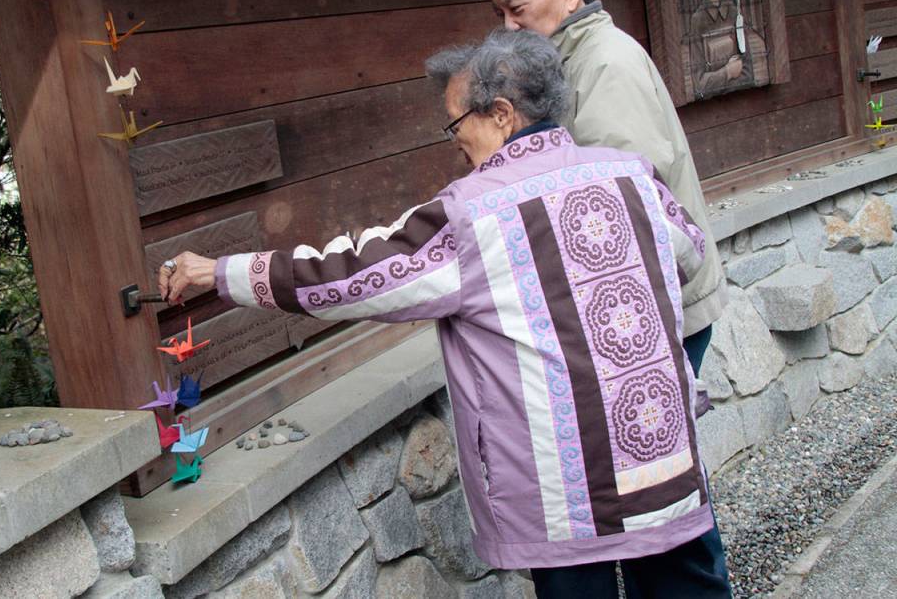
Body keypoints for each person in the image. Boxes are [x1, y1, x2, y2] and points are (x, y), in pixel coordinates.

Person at [158, 30, 728, 598]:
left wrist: (222, 272)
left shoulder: (474, 214)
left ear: (502, 115)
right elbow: (689, 250)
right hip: (661, 453)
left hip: (567, 486)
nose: (454, 142)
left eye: (457, 124)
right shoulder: (632, 175)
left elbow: (352, 277)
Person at [478, 0, 733, 597]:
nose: (506, 27)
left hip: (648, 320)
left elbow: (624, 216)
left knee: (664, 498)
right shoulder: (570, 61)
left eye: (514, 8)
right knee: (651, 487)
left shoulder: (604, 67)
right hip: (628, 322)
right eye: (501, 13)